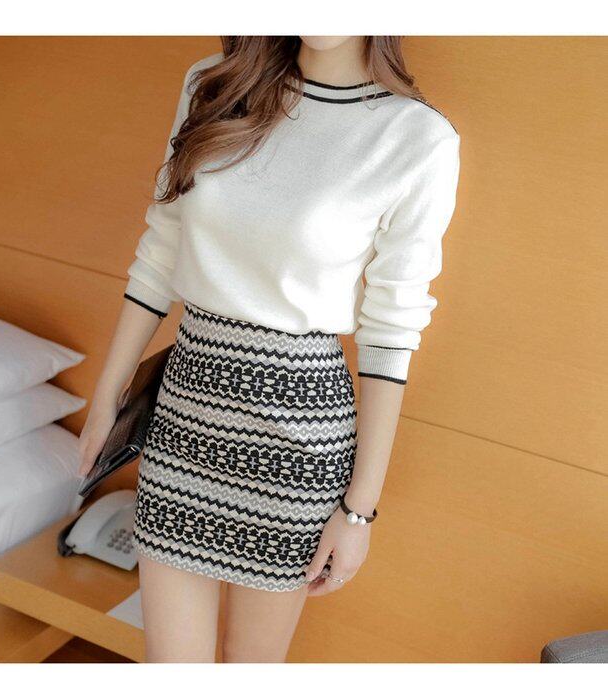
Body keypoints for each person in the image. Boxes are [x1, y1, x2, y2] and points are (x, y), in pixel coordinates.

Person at [78, 35, 461, 663]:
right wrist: (106, 399)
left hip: (298, 441)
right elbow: (161, 251)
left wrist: (358, 513)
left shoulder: (416, 138)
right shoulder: (215, 84)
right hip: (186, 413)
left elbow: (391, 332)